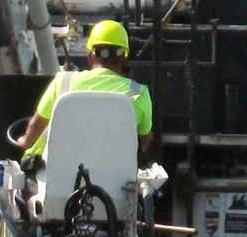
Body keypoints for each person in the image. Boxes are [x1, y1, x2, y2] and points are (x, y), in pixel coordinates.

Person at [13, 19, 156, 165]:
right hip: (116, 179)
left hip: (59, 178)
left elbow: (36, 126)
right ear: (124, 58)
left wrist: (25, 142)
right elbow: (144, 139)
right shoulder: (139, 94)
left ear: (90, 57)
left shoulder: (62, 83)